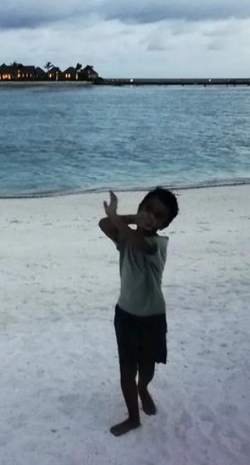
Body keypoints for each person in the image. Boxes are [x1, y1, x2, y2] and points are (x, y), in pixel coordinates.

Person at [98, 187, 179, 436]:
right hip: (125, 315)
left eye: (159, 216)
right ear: (140, 208)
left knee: (147, 368)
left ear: (164, 225)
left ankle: (143, 388)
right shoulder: (125, 238)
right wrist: (133, 218)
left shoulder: (158, 244)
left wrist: (122, 220)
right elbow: (103, 224)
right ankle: (133, 418)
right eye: (148, 209)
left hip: (152, 318)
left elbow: (141, 244)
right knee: (126, 370)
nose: (152, 216)